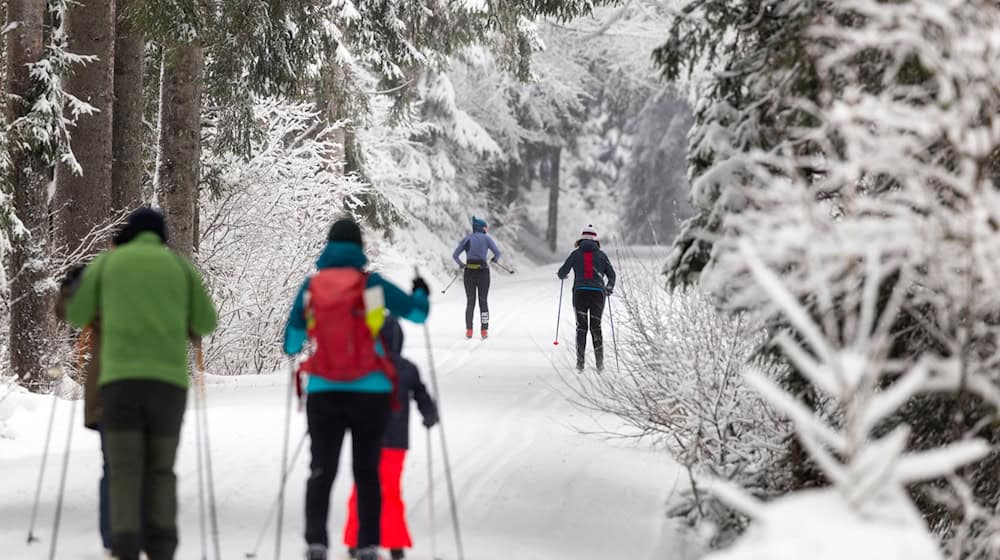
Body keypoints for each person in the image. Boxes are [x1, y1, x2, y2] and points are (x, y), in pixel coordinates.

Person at [65, 207, 218, 560]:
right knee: (161, 469)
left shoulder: (107, 266)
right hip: (168, 387)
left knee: (124, 470)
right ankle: (163, 547)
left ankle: (125, 546)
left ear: (129, 234)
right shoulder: (179, 268)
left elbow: (76, 315)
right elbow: (206, 322)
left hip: (120, 385)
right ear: (161, 236)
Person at [284, 218, 431, 560]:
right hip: (371, 391)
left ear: (328, 247)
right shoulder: (371, 286)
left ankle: (316, 542)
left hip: (324, 390)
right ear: (358, 247)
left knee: (322, 468)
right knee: (367, 472)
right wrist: (421, 290)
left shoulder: (312, 287)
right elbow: (416, 315)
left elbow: (292, 343)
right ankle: (367, 545)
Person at [342, 316, 439, 560]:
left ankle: (355, 540)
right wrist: (430, 415)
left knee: (361, 489)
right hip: (396, 442)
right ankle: (395, 544)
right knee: (391, 491)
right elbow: (422, 396)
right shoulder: (407, 368)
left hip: (366, 439)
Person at [55, 264, 109, 554]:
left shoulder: (103, 279)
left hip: (109, 389)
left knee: (113, 465)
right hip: (158, 390)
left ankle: (113, 539)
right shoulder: (170, 274)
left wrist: (69, 287)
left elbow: (70, 314)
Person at [556, 225, 616, 371]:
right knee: (596, 327)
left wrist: (563, 275)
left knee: (581, 328)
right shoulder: (601, 255)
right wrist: (609, 288)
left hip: (580, 293)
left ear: (581, 239)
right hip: (597, 294)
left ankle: (580, 363)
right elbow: (612, 275)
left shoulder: (575, 254)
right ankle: (599, 364)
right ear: (596, 240)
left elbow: (562, 272)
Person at [452, 216, 502, 339]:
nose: (486, 229)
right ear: (481, 228)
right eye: (485, 227)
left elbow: (455, 255)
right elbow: (497, 253)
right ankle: (484, 331)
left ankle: (469, 331)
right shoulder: (487, 239)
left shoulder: (467, 239)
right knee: (483, 301)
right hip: (483, 272)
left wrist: (461, 264)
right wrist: (494, 259)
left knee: (470, 302)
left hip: (469, 272)